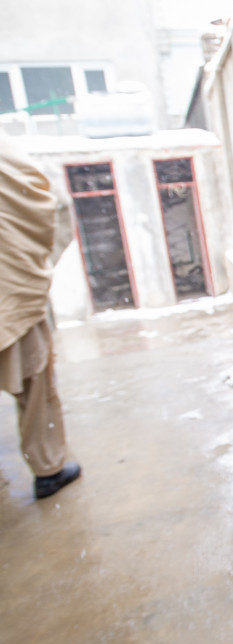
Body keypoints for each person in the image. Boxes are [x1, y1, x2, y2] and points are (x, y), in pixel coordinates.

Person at [0, 133, 80, 500]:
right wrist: (36, 260)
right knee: (34, 384)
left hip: (12, 285)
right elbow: (51, 202)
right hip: (10, 289)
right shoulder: (8, 156)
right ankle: (47, 469)